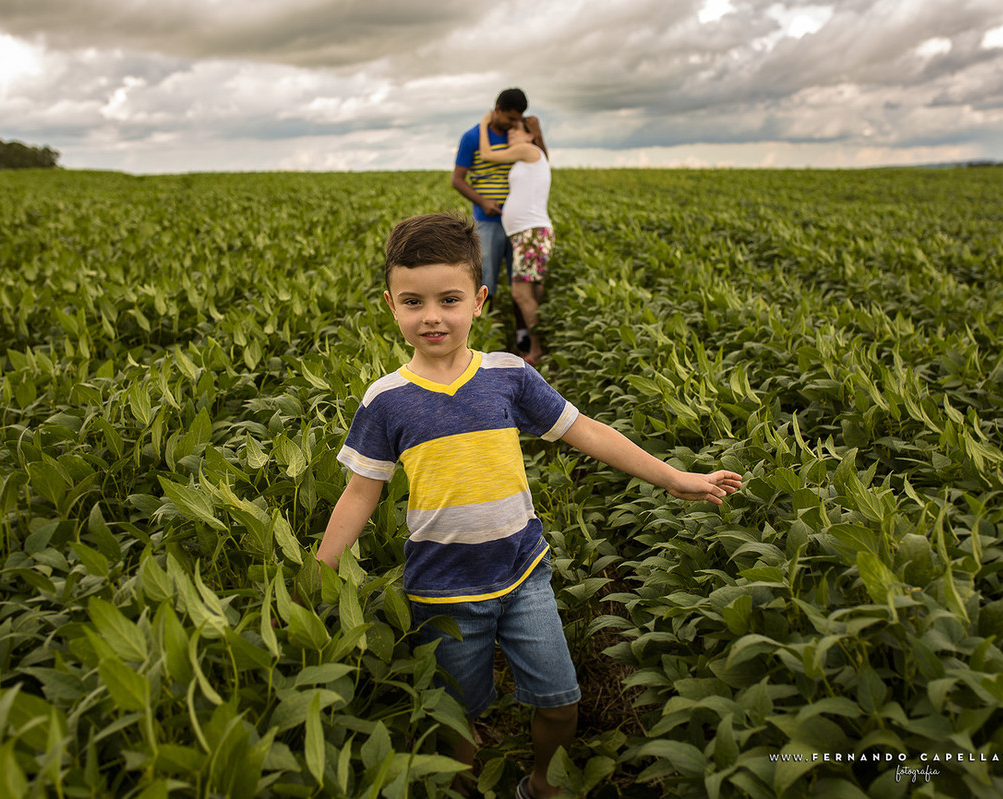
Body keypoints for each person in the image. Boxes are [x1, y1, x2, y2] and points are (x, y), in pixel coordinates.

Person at [316, 212, 742, 799]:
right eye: (413, 301)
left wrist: (673, 479)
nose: (432, 316)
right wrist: (321, 568)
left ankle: (542, 785)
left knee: (561, 703)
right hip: (442, 591)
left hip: (524, 573)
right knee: (455, 724)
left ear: (480, 301)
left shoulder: (509, 376)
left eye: (449, 299)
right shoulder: (387, 400)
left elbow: (586, 431)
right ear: (391, 304)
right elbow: (359, 491)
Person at [453, 87, 530, 350]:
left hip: (517, 222)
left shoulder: (515, 138)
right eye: (509, 118)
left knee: (520, 280)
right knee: (486, 281)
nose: (513, 123)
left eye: (517, 119)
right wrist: (483, 202)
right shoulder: (472, 137)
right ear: (496, 109)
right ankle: (488, 338)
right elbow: (457, 180)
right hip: (487, 222)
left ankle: (522, 334)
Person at [478, 112, 551, 364]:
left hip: (530, 233)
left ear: (530, 135)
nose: (510, 133)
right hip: (527, 233)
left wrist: (484, 124)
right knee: (532, 292)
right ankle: (540, 343)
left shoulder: (528, 151)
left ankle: (537, 349)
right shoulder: (529, 156)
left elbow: (487, 155)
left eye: (516, 130)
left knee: (521, 293)